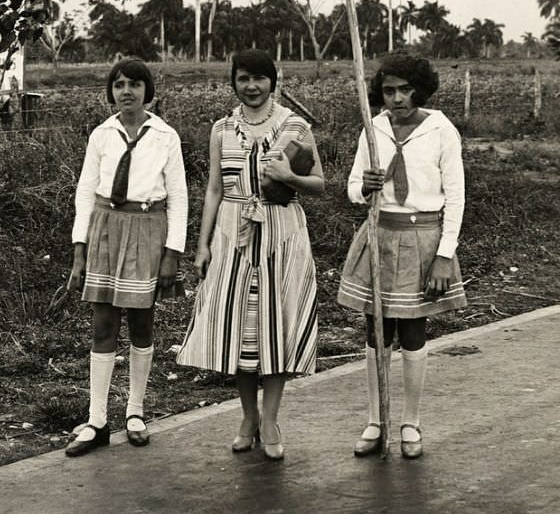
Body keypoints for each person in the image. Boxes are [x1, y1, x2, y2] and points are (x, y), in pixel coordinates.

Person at [177, 50, 324, 461]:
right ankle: (247, 417)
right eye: (244, 78)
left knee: (275, 328)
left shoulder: (296, 127)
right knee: (241, 332)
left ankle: (272, 418)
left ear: (273, 81)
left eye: (260, 78)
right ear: (234, 82)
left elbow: (318, 184)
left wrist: (289, 177)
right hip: (233, 234)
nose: (252, 86)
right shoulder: (222, 129)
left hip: (282, 234)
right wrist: (203, 245)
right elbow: (213, 189)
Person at [337, 53, 466, 459]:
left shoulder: (441, 129)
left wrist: (444, 255)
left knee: (412, 331)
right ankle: (377, 420)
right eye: (389, 91)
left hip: (422, 237)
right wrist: (366, 186)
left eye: (405, 90)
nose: (396, 99)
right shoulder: (372, 128)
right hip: (380, 235)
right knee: (377, 331)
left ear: (419, 90)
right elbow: (353, 188)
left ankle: (410, 423)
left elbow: (457, 198)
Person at [65, 59, 188, 457]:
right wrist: (79, 249)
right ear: (111, 91)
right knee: (103, 325)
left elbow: (180, 199)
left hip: (146, 229)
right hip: (105, 229)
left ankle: (135, 412)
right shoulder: (102, 134)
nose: (127, 91)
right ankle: (97, 420)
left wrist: (172, 253)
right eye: (119, 85)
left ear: (147, 91)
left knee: (140, 322)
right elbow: (85, 192)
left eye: (135, 84)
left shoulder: (165, 136)